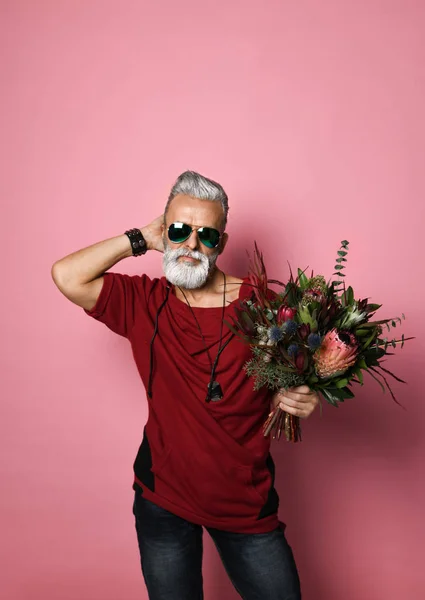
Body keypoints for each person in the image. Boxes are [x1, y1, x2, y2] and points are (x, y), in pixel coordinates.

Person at [51, 170, 319, 599]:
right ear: (163, 231)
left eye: (206, 235)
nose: (191, 244)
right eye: (179, 231)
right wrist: (139, 238)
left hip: (244, 502)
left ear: (222, 244)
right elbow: (67, 275)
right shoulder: (144, 302)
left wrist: (305, 396)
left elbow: (299, 375)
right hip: (163, 499)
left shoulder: (266, 306)